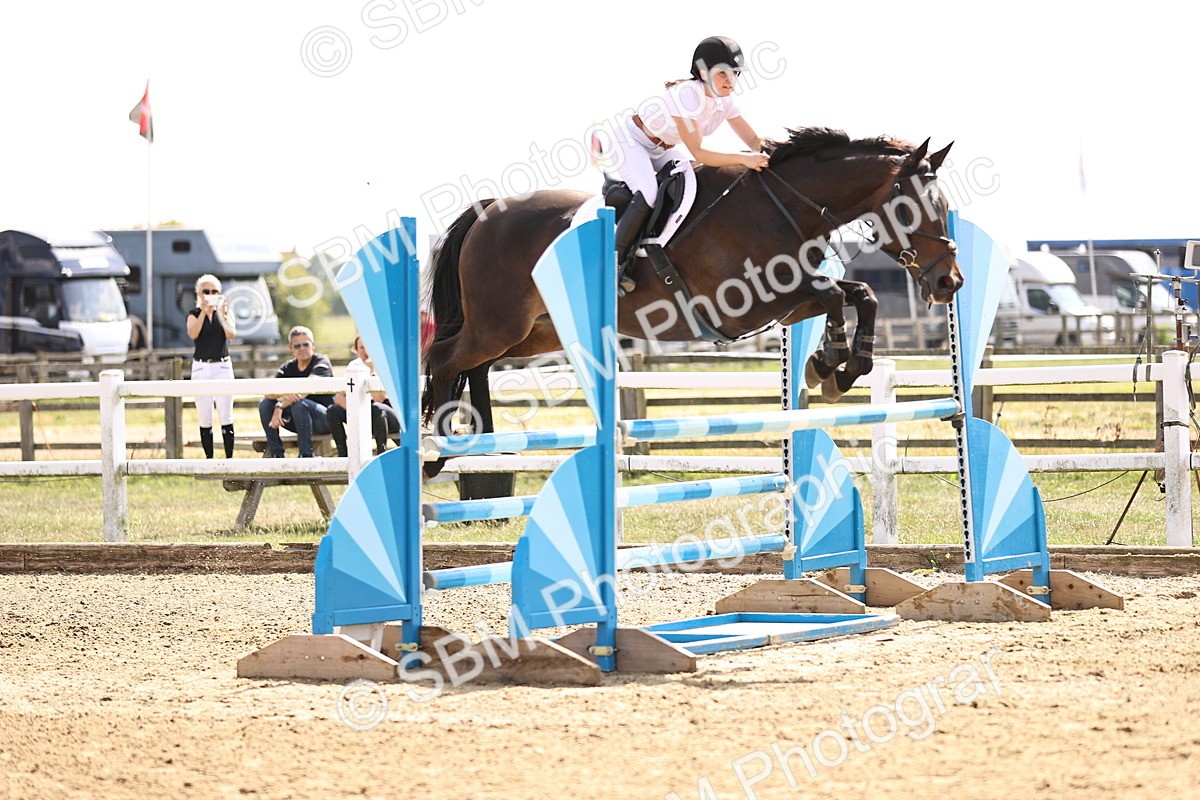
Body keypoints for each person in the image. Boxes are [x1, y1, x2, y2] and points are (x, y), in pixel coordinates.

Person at [605, 35, 770, 292]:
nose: (731, 80)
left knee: (693, 180)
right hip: (630, 141)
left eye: (735, 73)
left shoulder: (725, 101)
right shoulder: (687, 95)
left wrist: (788, 151)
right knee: (648, 192)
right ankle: (614, 266)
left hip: (663, 149)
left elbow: (752, 139)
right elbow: (699, 152)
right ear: (703, 73)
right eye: (723, 73)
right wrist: (744, 159)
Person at [258, 326, 335, 457]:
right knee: (265, 404)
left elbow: (306, 389)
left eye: (306, 344)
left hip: (324, 421)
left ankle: (306, 456)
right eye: (297, 345)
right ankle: (276, 455)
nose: (302, 348)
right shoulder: (288, 367)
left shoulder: (322, 363)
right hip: (297, 419)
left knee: (300, 404)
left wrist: (280, 405)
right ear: (291, 348)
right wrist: (282, 394)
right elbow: (269, 391)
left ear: (313, 345)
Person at [186, 274, 237, 458]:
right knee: (205, 415)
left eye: (214, 291)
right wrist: (204, 312)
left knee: (226, 414)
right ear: (198, 293)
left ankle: (229, 458)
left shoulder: (224, 313)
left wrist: (221, 314)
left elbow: (231, 334)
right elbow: (193, 333)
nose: (209, 295)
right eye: (205, 291)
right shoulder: (193, 314)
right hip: (201, 367)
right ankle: (209, 459)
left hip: (222, 366)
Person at [327, 335, 400, 457]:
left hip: (385, 412)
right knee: (332, 410)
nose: (365, 351)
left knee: (375, 408)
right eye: (361, 348)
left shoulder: (384, 364)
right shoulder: (353, 366)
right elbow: (338, 399)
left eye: (369, 347)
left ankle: (381, 451)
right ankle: (343, 453)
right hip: (360, 410)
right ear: (356, 350)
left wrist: (371, 372)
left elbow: (380, 398)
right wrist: (356, 410)